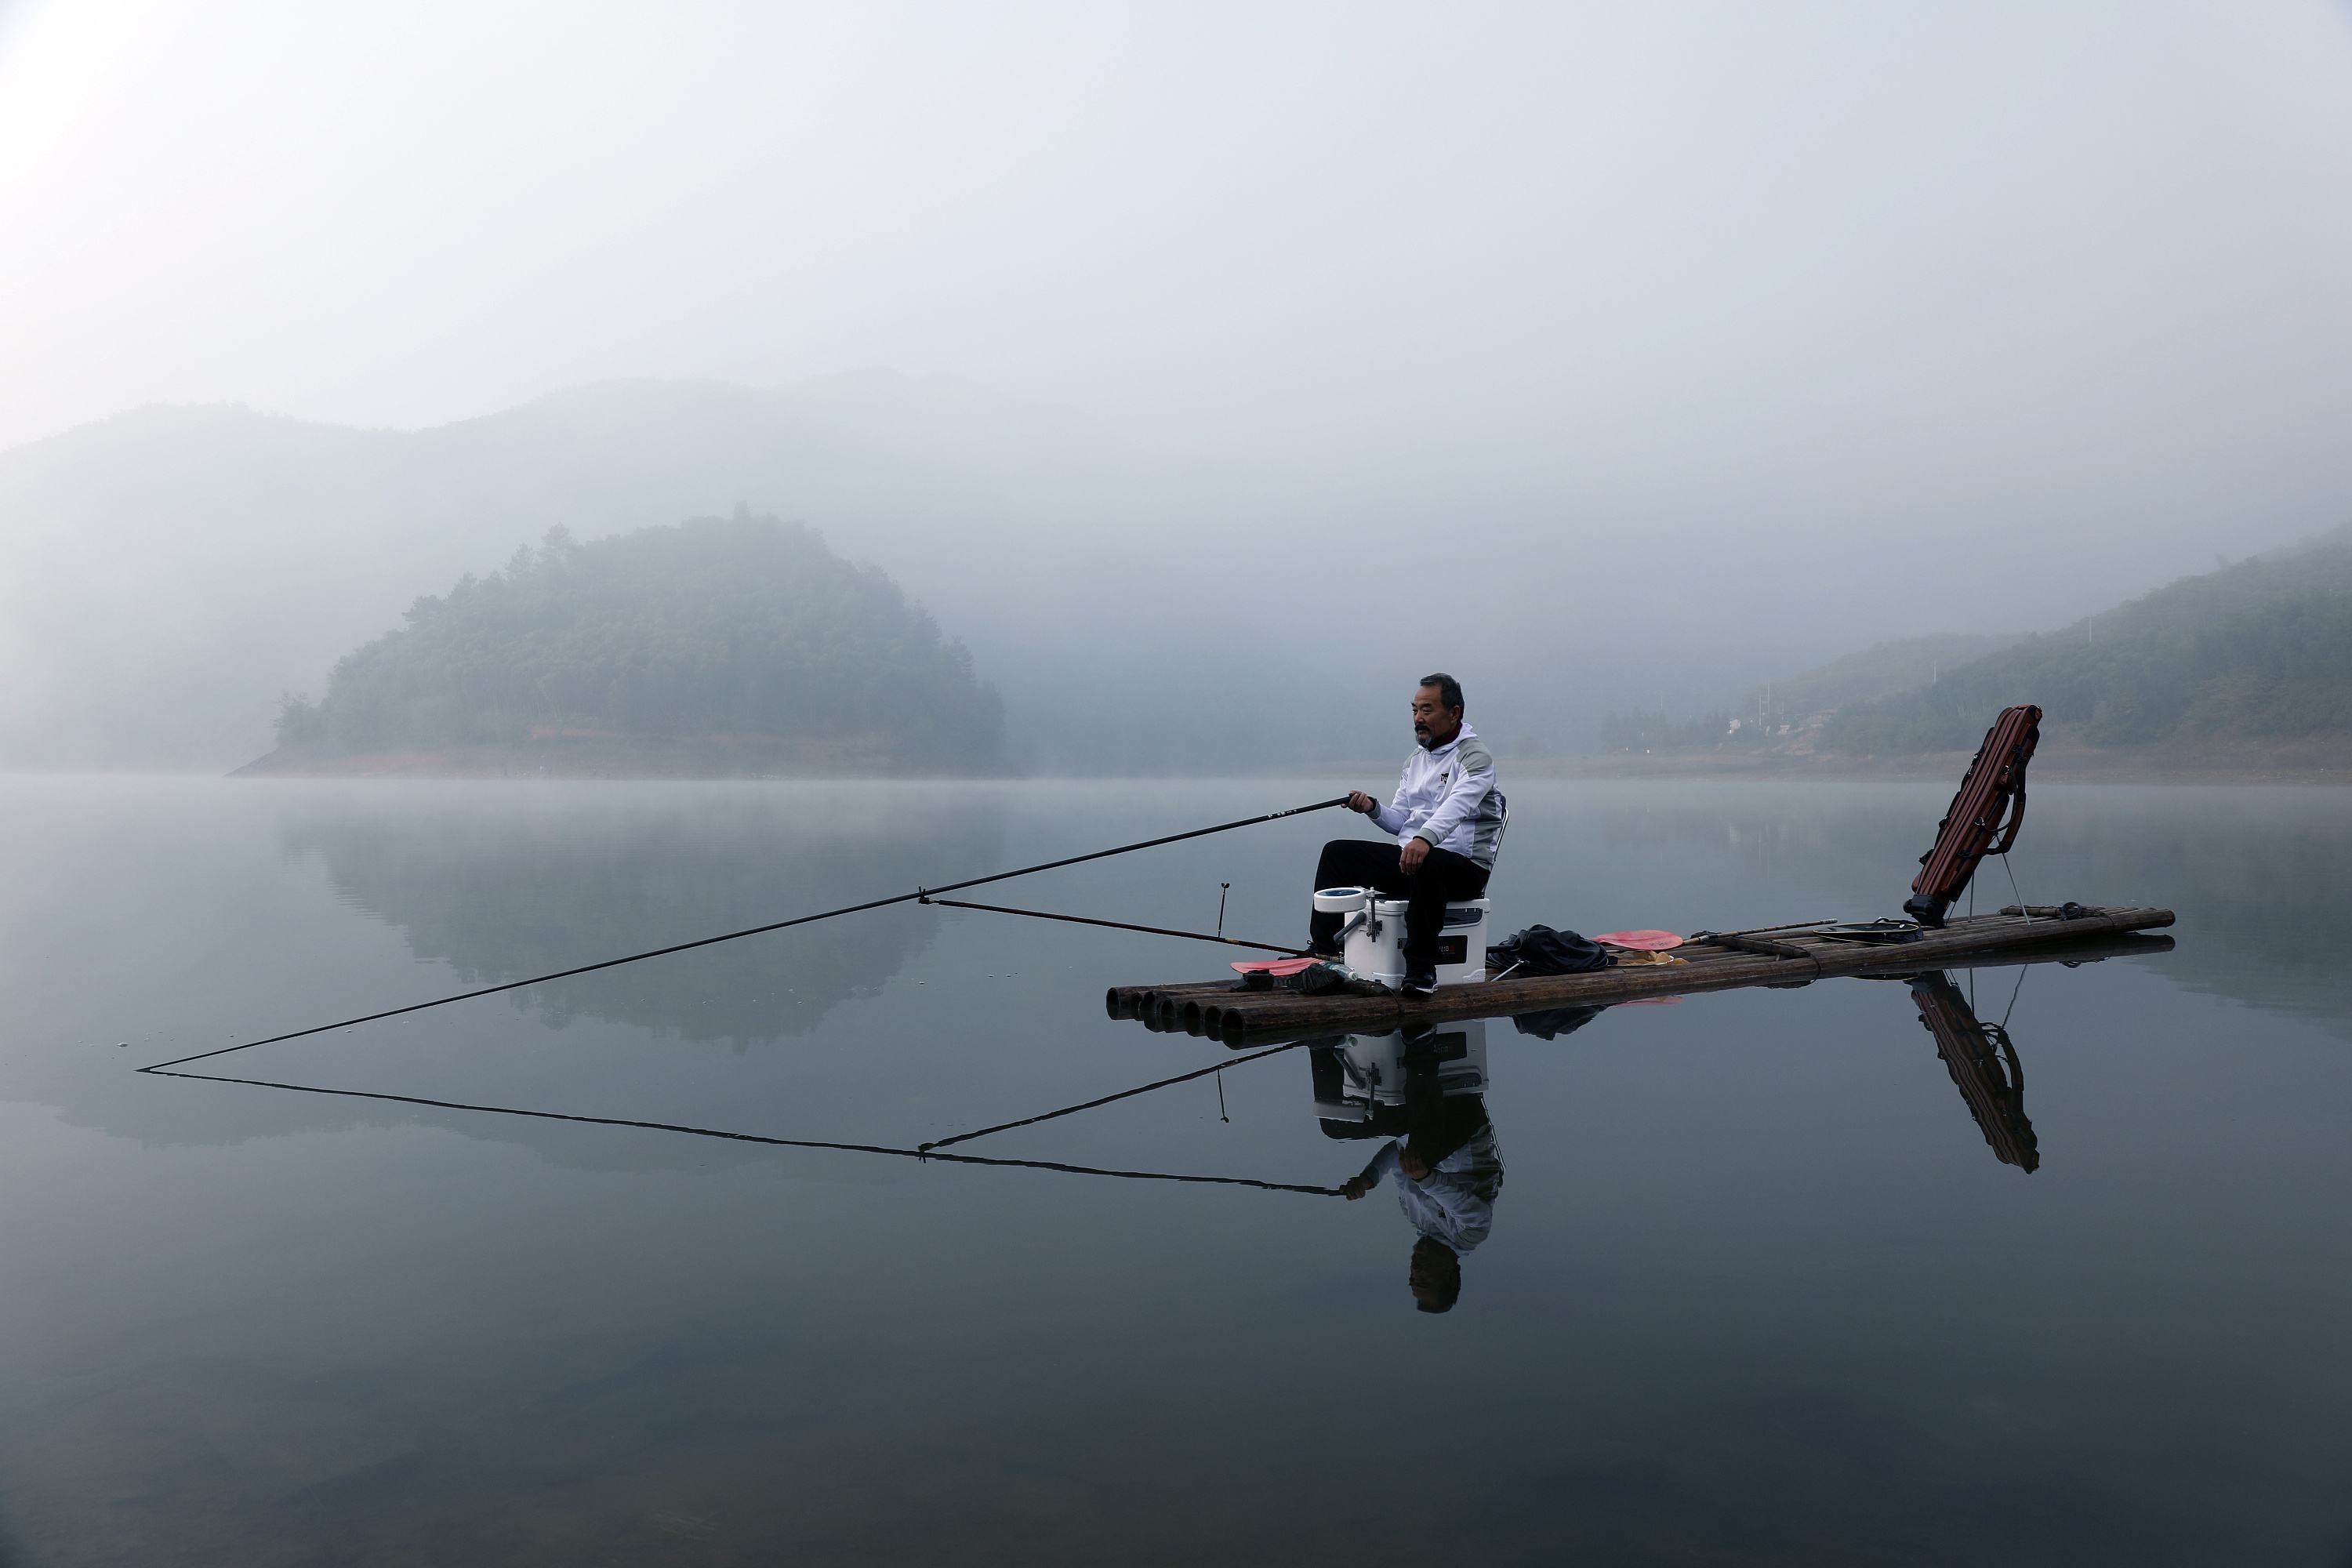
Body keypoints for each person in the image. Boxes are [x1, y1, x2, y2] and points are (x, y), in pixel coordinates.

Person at [1308, 673, 1504, 995]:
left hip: (1465, 868)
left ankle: (1421, 971)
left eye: (1427, 710)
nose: (1418, 719)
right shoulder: (1415, 761)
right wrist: (1372, 808)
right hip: (1414, 860)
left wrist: (1424, 839)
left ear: (1454, 713)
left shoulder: (1475, 757)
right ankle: (1327, 955)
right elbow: (1401, 821)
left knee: (1426, 860)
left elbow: (1456, 807)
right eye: (1414, 710)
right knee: (1336, 854)